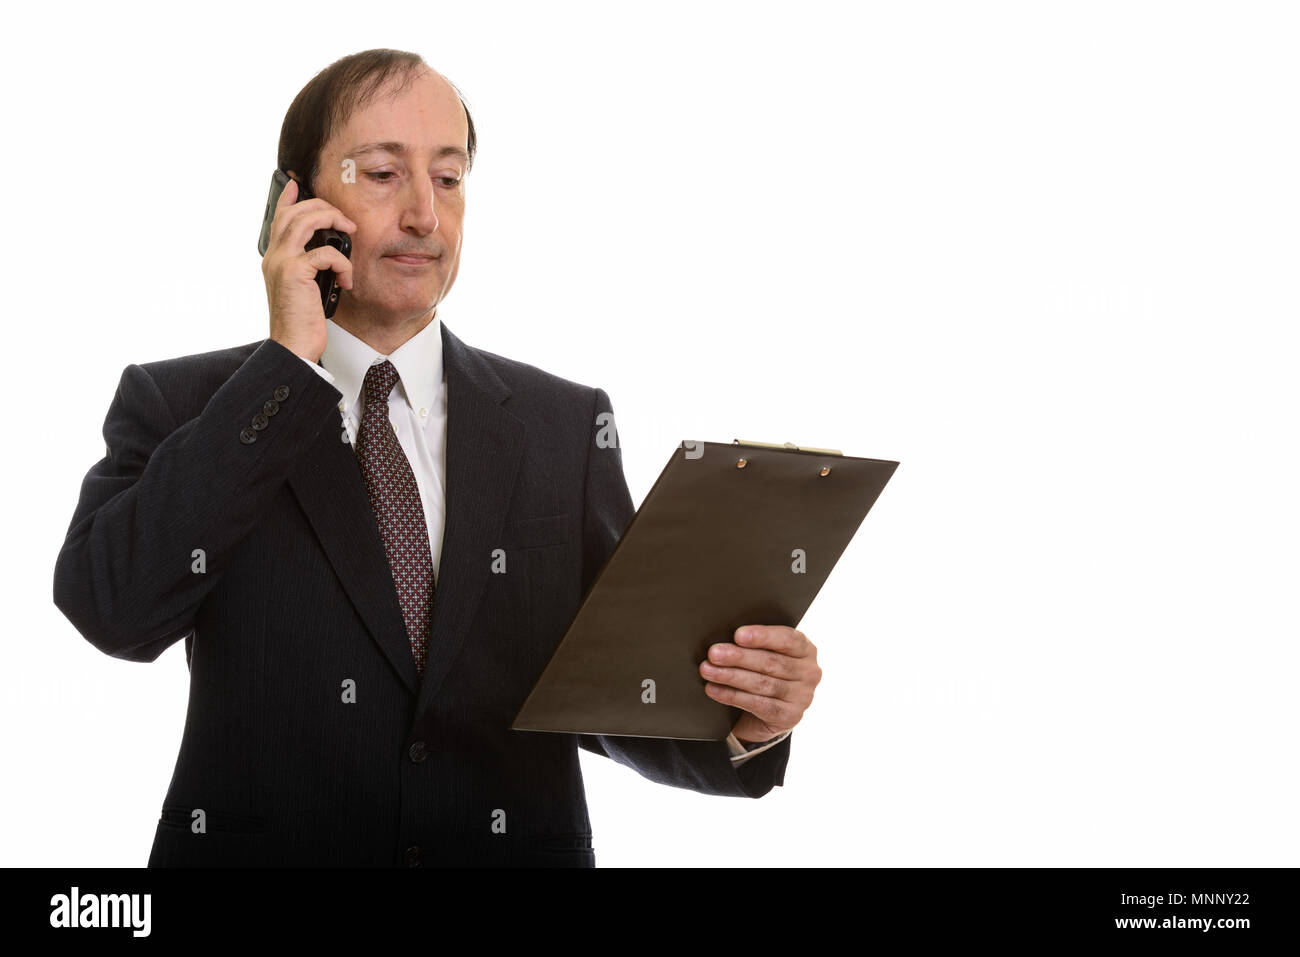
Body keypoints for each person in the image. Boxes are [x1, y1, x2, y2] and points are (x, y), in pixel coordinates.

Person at [52, 48, 821, 867]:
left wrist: (747, 720)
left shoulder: (565, 425)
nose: (425, 213)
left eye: (448, 179)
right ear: (294, 204)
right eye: (384, 173)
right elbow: (112, 609)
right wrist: (284, 369)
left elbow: (609, 690)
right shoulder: (186, 405)